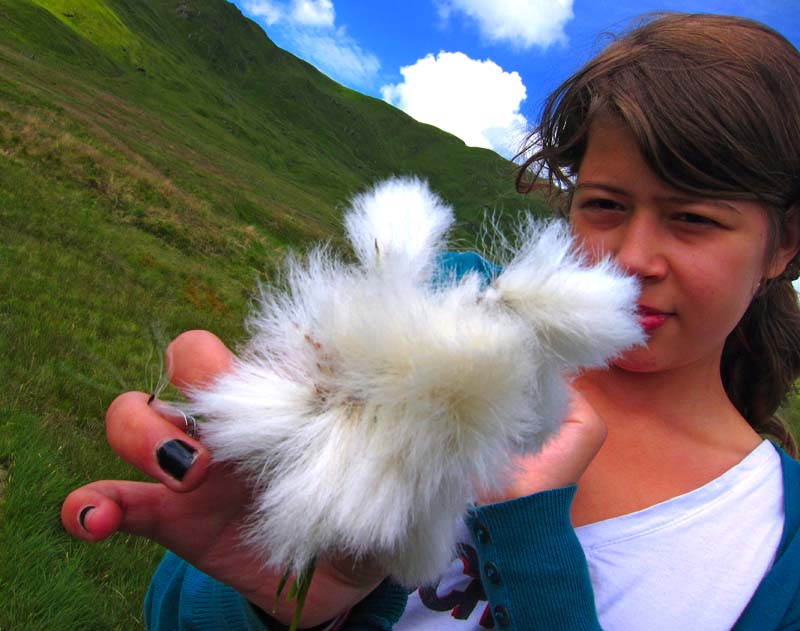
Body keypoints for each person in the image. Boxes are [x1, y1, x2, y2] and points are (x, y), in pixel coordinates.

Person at [62, 12, 800, 630]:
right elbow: (175, 610)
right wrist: (287, 602)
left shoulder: (775, 557)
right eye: (605, 204)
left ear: (784, 246)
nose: (633, 256)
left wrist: (532, 546)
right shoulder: (433, 315)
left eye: (695, 219)